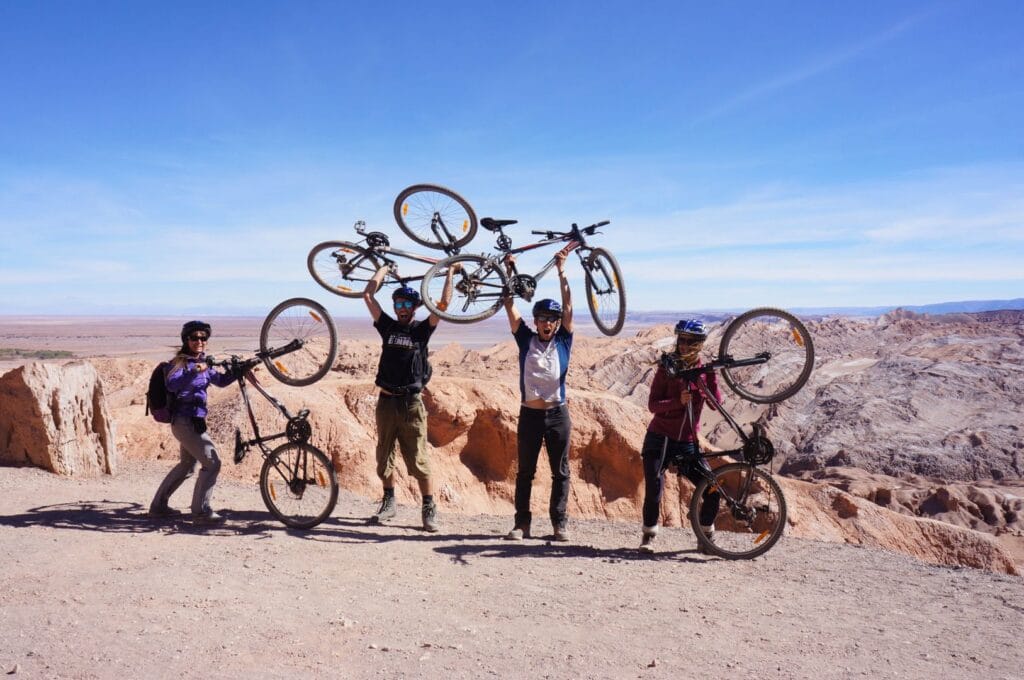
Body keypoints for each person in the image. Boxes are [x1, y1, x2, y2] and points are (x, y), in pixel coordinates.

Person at [363, 265, 456, 532]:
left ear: (415, 307)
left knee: (418, 458)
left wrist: (449, 272)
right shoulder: (387, 327)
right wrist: (382, 269)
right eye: (398, 303)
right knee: (384, 456)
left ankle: (428, 507)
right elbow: (368, 296)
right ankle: (389, 500)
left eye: (407, 304)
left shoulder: (421, 331)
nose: (402, 308)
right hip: (386, 401)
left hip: (411, 403)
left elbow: (443, 303)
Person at [503, 245, 576, 542]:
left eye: (551, 319)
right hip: (530, 414)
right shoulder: (525, 339)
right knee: (525, 473)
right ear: (535, 321)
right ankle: (522, 525)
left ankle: (559, 524)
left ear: (557, 323)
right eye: (542, 318)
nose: (546, 323)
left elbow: (569, 307)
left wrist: (562, 270)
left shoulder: (564, 342)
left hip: (558, 414)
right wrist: (510, 270)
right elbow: (509, 304)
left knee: (561, 472)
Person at [638, 319, 722, 554]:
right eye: (681, 340)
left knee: (713, 488)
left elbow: (716, 404)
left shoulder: (703, 372)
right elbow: (653, 404)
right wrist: (678, 401)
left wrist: (712, 376)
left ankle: (705, 535)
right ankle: (649, 535)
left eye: (689, 341)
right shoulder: (667, 367)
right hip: (660, 437)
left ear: (699, 344)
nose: (683, 345)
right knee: (655, 487)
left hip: (687, 441)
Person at [149, 320, 238, 524]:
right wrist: (193, 371)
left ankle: (158, 507)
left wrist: (239, 372)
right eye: (195, 338)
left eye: (203, 338)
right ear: (186, 340)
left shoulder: (204, 364)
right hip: (183, 421)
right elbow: (171, 384)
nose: (200, 341)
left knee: (187, 466)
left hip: (195, 421)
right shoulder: (180, 363)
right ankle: (201, 512)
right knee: (212, 463)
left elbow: (221, 381)